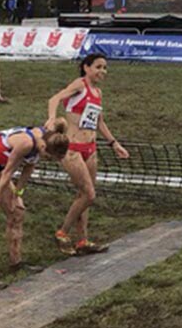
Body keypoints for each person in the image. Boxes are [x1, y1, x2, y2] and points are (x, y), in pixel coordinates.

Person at [0, 121, 70, 288]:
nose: (46, 159)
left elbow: (28, 168)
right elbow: (8, 173)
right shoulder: (25, 143)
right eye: (48, 157)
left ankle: (16, 262)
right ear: (44, 147)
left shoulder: (44, 139)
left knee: (17, 213)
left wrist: (18, 194)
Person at [46, 52, 130, 255]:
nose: (103, 71)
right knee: (90, 195)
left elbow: (99, 122)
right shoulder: (79, 85)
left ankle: (82, 240)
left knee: (84, 195)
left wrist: (114, 143)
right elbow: (55, 98)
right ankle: (62, 233)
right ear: (86, 68)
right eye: (98, 67)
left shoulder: (98, 93)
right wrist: (51, 118)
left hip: (90, 149)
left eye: (105, 68)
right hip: (73, 149)